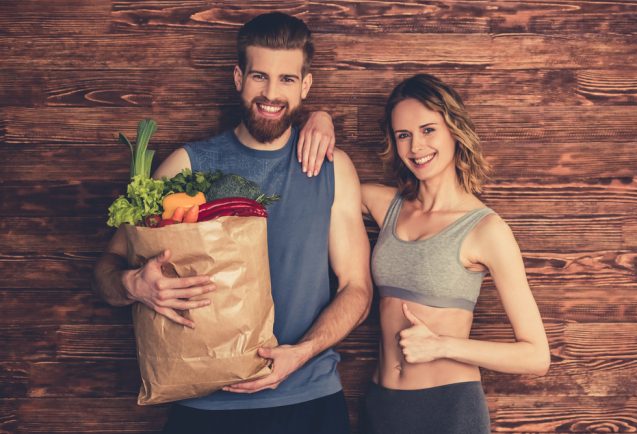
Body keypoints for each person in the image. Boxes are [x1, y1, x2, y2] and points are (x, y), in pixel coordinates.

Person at [91, 12, 372, 434]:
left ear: (305, 86)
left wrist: (302, 352)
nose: (271, 94)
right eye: (259, 77)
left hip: (309, 400)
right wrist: (134, 285)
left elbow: (357, 289)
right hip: (205, 408)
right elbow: (107, 269)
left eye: (287, 80)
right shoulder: (188, 164)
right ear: (238, 77)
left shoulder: (333, 168)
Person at [357, 74, 551, 434]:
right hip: (381, 405)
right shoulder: (386, 205)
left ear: (454, 130)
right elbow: (327, 182)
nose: (416, 147)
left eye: (428, 129)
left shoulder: (486, 229)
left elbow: (536, 356)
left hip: (447, 410)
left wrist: (442, 346)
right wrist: (318, 119)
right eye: (403, 135)